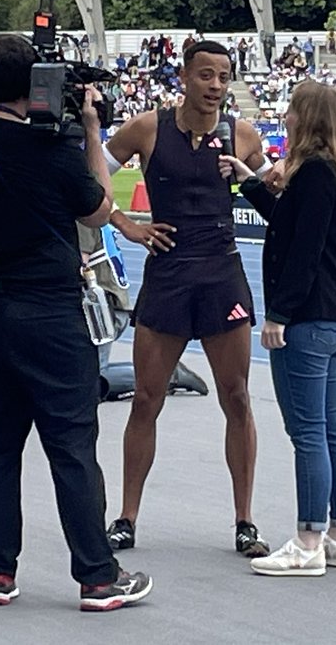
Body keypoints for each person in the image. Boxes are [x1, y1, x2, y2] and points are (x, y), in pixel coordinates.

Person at [0, 34, 151, 611]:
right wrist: (92, 132)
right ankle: (98, 577)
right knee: (72, 445)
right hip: (49, 313)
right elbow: (100, 209)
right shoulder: (52, 149)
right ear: (36, 86)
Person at [103, 39, 271, 558]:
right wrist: (125, 224)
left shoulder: (242, 135)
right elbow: (86, 181)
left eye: (223, 76)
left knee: (237, 398)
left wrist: (256, 177)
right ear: (184, 76)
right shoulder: (146, 128)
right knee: (147, 400)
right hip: (169, 275)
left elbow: (275, 194)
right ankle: (126, 518)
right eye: (205, 75)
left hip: (222, 273)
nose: (216, 86)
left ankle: (245, 521)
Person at [218, 80, 336, 577]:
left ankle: (308, 542)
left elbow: (300, 251)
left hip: (310, 316)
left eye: (292, 112)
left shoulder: (313, 174)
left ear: (308, 119)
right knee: (332, 428)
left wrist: (278, 315)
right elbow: (287, 222)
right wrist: (250, 181)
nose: (285, 119)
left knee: (308, 433)